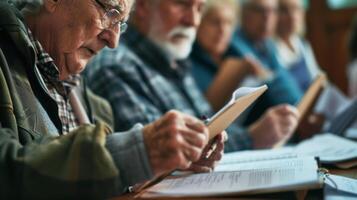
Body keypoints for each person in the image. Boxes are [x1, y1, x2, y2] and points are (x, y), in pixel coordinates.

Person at [0, 0, 222, 198]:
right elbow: (7, 171)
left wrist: (169, 160)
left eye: (122, 23)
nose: (113, 40)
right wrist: (135, 152)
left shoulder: (92, 102)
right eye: (110, 11)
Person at [85, 0, 300, 152]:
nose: (193, 20)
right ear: (142, 7)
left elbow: (208, 127)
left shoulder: (175, 61)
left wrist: (254, 134)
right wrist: (251, 137)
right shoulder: (115, 66)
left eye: (199, 8)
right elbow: (161, 151)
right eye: (182, 4)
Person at [229, 0, 303, 125]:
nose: (267, 17)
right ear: (244, 13)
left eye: (273, 11)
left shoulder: (268, 43)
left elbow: (284, 78)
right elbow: (272, 86)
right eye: (259, 10)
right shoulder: (235, 45)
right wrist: (300, 114)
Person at [274, 0, 320, 92]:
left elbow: (316, 78)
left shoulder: (302, 45)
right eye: (284, 10)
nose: (292, 16)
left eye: (295, 9)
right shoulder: (270, 50)